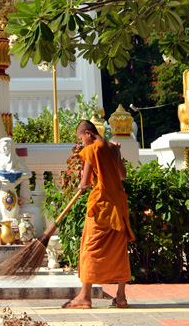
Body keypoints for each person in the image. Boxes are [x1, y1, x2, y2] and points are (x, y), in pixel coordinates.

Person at [62, 119, 134, 310]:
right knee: (119, 250)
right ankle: (121, 297)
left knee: (89, 248)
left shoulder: (92, 149)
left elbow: (85, 183)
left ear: (88, 133)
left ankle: (84, 297)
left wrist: (81, 184)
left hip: (101, 207)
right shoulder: (113, 148)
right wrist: (117, 156)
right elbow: (123, 176)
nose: (82, 144)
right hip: (117, 206)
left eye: (81, 139)